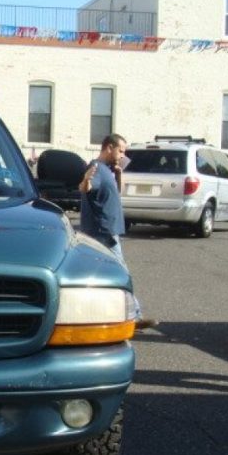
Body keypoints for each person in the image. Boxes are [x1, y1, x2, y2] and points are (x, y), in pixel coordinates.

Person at [79, 134, 157, 330]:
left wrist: (119, 175)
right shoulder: (96, 169)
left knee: (94, 276)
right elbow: (84, 187)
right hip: (103, 232)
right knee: (121, 274)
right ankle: (135, 316)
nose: (122, 155)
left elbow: (116, 192)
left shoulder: (108, 170)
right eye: (121, 150)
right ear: (109, 147)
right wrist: (86, 180)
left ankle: (87, 314)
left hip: (106, 230)